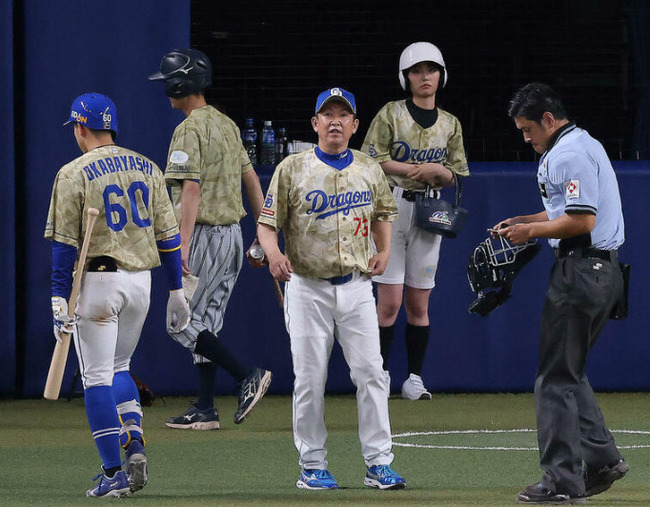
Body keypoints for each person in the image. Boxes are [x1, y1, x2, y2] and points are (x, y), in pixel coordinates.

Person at [257, 87, 406, 490]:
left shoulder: (369, 168)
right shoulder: (292, 168)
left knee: (372, 374)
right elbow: (266, 224)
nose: (336, 120)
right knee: (309, 378)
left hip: (357, 286)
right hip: (307, 287)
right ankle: (312, 465)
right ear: (315, 123)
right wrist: (273, 254)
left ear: (355, 125)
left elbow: (384, 214)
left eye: (344, 114)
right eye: (328, 114)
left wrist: (386, 248)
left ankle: (379, 463)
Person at [45, 92, 191, 497]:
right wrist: (177, 289)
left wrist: (59, 296)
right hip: (140, 282)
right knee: (120, 367)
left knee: (95, 379)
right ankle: (135, 444)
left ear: (80, 127)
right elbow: (169, 236)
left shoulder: (73, 172)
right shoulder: (146, 166)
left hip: (98, 283)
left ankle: (113, 474)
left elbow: (62, 245)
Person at [494, 82, 629, 505]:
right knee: (567, 370)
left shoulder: (568, 154)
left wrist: (531, 231)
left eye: (528, 129)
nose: (526, 137)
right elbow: (563, 212)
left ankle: (561, 482)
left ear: (549, 120)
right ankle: (603, 460)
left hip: (581, 270)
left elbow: (582, 220)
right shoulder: (580, 143)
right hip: (599, 270)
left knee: (554, 378)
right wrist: (523, 220)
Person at [148, 48, 272, 429]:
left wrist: (180, 247)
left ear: (180, 83)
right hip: (232, 236)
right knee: (207, 322)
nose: (165, 88)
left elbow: (191, 189)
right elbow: (251, 179)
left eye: (168, 81)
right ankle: (205, 408)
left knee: (180, 322)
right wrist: (263, 232)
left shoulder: (190, 128)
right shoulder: (226, 123)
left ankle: (246, 375)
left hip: (201, 235)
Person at [361, 42, 470, 400]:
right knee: (388, 302)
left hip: (430, 209)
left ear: (441, 75)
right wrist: (412, 169)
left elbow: (457, 173)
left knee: (419, 304)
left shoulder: (450, 123)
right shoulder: (391, 113)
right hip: (392, 206)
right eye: (417, 71)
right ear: (406, 77)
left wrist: (440, 171)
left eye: (431, 70)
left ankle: (414, 378)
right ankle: (379, 375)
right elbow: (371, 158)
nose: (425, 77)